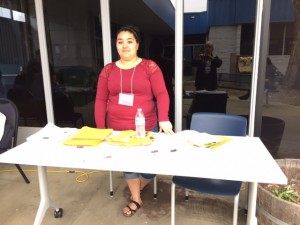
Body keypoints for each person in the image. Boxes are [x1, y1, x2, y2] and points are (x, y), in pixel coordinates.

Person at [94, 25, 174, 217]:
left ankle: (137, 185)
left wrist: (164, 118)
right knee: (128, 163)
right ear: (116, 45)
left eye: (129, 41)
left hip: (146, 127)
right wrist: (100, 129)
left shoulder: (150, 67)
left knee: (153, 162)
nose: (125, 46)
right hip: (118, 129)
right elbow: (100, 99)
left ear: (137, 45)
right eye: (120, 42)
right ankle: (136, 198)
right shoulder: (108, 70)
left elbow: (162, 94)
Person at [149, 38, 175, 126]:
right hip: (167, 93)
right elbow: (175, 77)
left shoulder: (147, 64)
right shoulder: (168, 62)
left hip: (152, 96)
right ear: (162, 50)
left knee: (154, 121)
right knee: (168, 120)